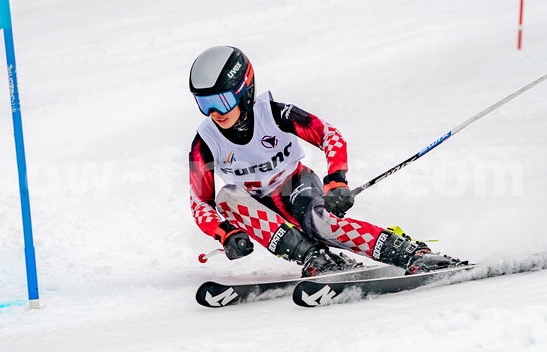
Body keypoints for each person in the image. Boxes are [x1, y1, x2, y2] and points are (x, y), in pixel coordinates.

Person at [187, 45, 465, 277]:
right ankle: (318, 259)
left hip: (293, 186)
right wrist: (224, 233)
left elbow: (329, 135)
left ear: (244, 91)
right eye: (205, 104)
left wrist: (336, 181)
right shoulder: (206, 142)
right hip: (257, 207)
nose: (215, 113)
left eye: (221, 101)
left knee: (321, 224)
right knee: (226, 196)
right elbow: (201, 201)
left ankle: (411, 253)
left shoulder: (273, 114)